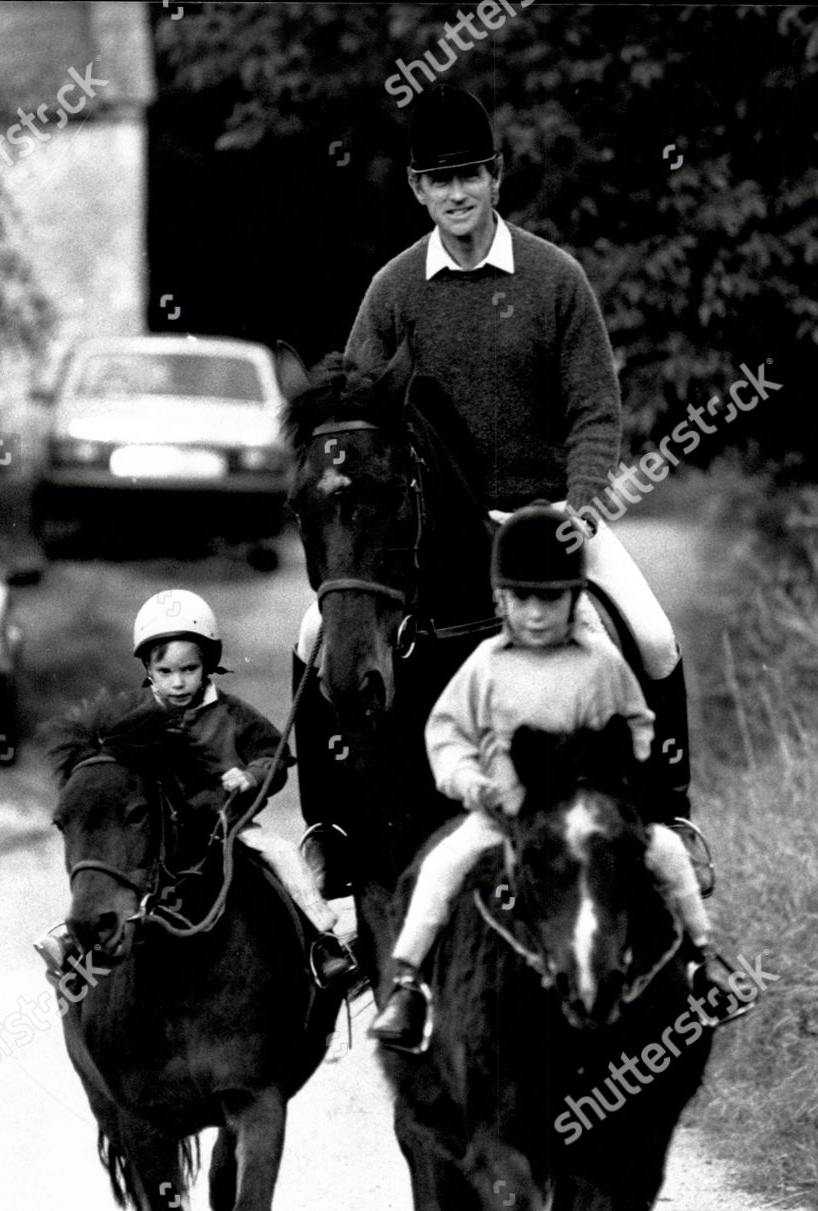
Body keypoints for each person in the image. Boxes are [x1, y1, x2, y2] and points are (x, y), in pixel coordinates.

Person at [298, 82, 701, 893]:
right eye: (438, 180)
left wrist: (575, 511)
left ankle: (671, 813)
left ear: (496, 177)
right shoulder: (392, 291)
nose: (456, 193)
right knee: (313, 640)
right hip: (423, 527)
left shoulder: (555, 280)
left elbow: (594, 411)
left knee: (652, 634)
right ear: (417, 189)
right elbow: (354, 414)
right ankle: (329, 830)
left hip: (541, 512)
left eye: (470, 176)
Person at [370, 509, 731, 1053]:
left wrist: (622, 770)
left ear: (574, 598)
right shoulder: (485, 666)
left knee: (668, 855)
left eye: (551, 599)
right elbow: (446, 734)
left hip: (589, 813)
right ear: (501, 601)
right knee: (441, 867)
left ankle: (705, 961)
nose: (536, 615)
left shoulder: (601, 664)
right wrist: (468, 781)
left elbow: (639, 722)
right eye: (522, 600)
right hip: (507, 814)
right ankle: (408, 987)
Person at [36, 589, 361, 995]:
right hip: (161, 828)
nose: (178, 682)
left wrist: (251, 776)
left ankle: (324, 945)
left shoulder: (231, 711)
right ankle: (76, 949)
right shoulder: (136, 716)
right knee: (115, 871)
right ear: (148, 670)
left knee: (283, 855)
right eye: (166, 672)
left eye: (189, 670)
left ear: (208, 664)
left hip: (227, 824)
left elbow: (273, 755)